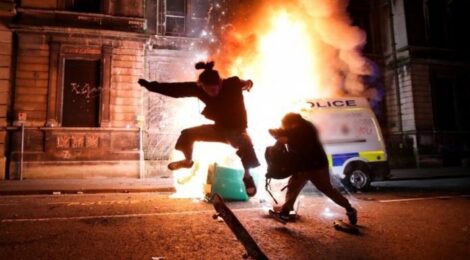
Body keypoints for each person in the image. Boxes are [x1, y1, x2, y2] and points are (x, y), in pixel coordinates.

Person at [137, 61, 260, 196]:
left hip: (237, 130)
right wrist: (150, 86)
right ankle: (188, 161)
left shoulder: (233, 83)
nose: (210, 93)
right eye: (206, 90)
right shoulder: (200, 89)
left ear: (220, 83)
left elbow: (247, 83)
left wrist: (248, 84)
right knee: (188, 134)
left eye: (212, 90)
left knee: (246, 145)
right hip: (218, 130)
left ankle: (247, 177)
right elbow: (176, 90)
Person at [268, 113, 358, 224]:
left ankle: (349, 209)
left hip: (316, 166)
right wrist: (275, 133)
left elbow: (298, 142)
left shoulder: (306, 130)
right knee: (293, 186)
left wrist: (285, 139)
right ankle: (285, 213)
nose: (285, 128)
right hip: (303, 166)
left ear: (293, 124)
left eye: (286, 125)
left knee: (327, 189)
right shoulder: (296, 128)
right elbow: (286, 133)